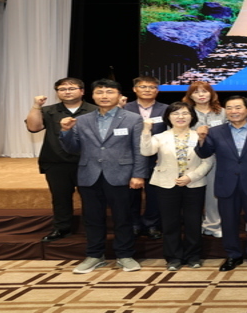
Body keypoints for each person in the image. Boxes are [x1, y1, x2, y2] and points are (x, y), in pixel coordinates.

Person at [59, 79, 148, 274]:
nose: (104, 96)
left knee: (123, 218)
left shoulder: (133, 119)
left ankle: (125, 255)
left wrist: (138, 175)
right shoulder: (82, 120)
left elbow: (139, 149)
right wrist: (66, 132)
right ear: (92, 96)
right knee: (92, 219)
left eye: (109, 92)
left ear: (119, 95)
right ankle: (94, 255)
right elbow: (72, 148)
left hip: (122, 175)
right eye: (99, 92)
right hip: (89, 175)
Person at [195, 96, 247, 272]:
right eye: (229, 108)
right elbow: (204, 153)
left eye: (238, 107)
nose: (234, 111)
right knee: (228, 222)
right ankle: (233, 255)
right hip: (227, 183)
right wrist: (201, 139)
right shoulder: (215, 132)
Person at [140, 102, 213, 271]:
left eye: (185, 113)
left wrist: (190, 177)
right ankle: (173, 257)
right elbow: (146, 151)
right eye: (175, 113)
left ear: (192, 117)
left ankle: (193, 256)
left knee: (193, 221)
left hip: (194, 183)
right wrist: (146, 131)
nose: (180, 117)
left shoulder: (200, 136)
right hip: (166, 183)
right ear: (168, 117)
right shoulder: (160, 137)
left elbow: (208, 161)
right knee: (170, 222)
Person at [26, 78, 97, 242]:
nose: (67, 91)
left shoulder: (94, 110)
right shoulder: (49, 110)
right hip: (56, 161)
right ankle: (62, 228)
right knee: (60, 198)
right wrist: (36, 106)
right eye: (62, 89)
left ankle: (93, 229)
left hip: (88, 162)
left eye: (72, 88)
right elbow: (33, 127)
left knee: (91, 198)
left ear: (82, 91)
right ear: (57, 93)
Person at [124, 76, 168, 239]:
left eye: (152, 87)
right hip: (129, 158)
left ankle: (152, 224)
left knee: (154, 195)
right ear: (135, 89)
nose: (147, 90)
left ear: (157, 90)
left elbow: (170, 134)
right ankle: (134, 224)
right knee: (131, 195)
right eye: (143, 87)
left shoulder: (166, 109)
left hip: (156, 159)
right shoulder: (124, 108)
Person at [182, 81, 225, 238]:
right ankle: (194, 225)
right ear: (190, 96)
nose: (201, 95)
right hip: (191, 157)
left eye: (204, 91)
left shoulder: (222, 112)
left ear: (211, 94)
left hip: (217, 158)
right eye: (196, 92)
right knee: (193, 193)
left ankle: (213, 225)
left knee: (213, 193)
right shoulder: (185, 112)